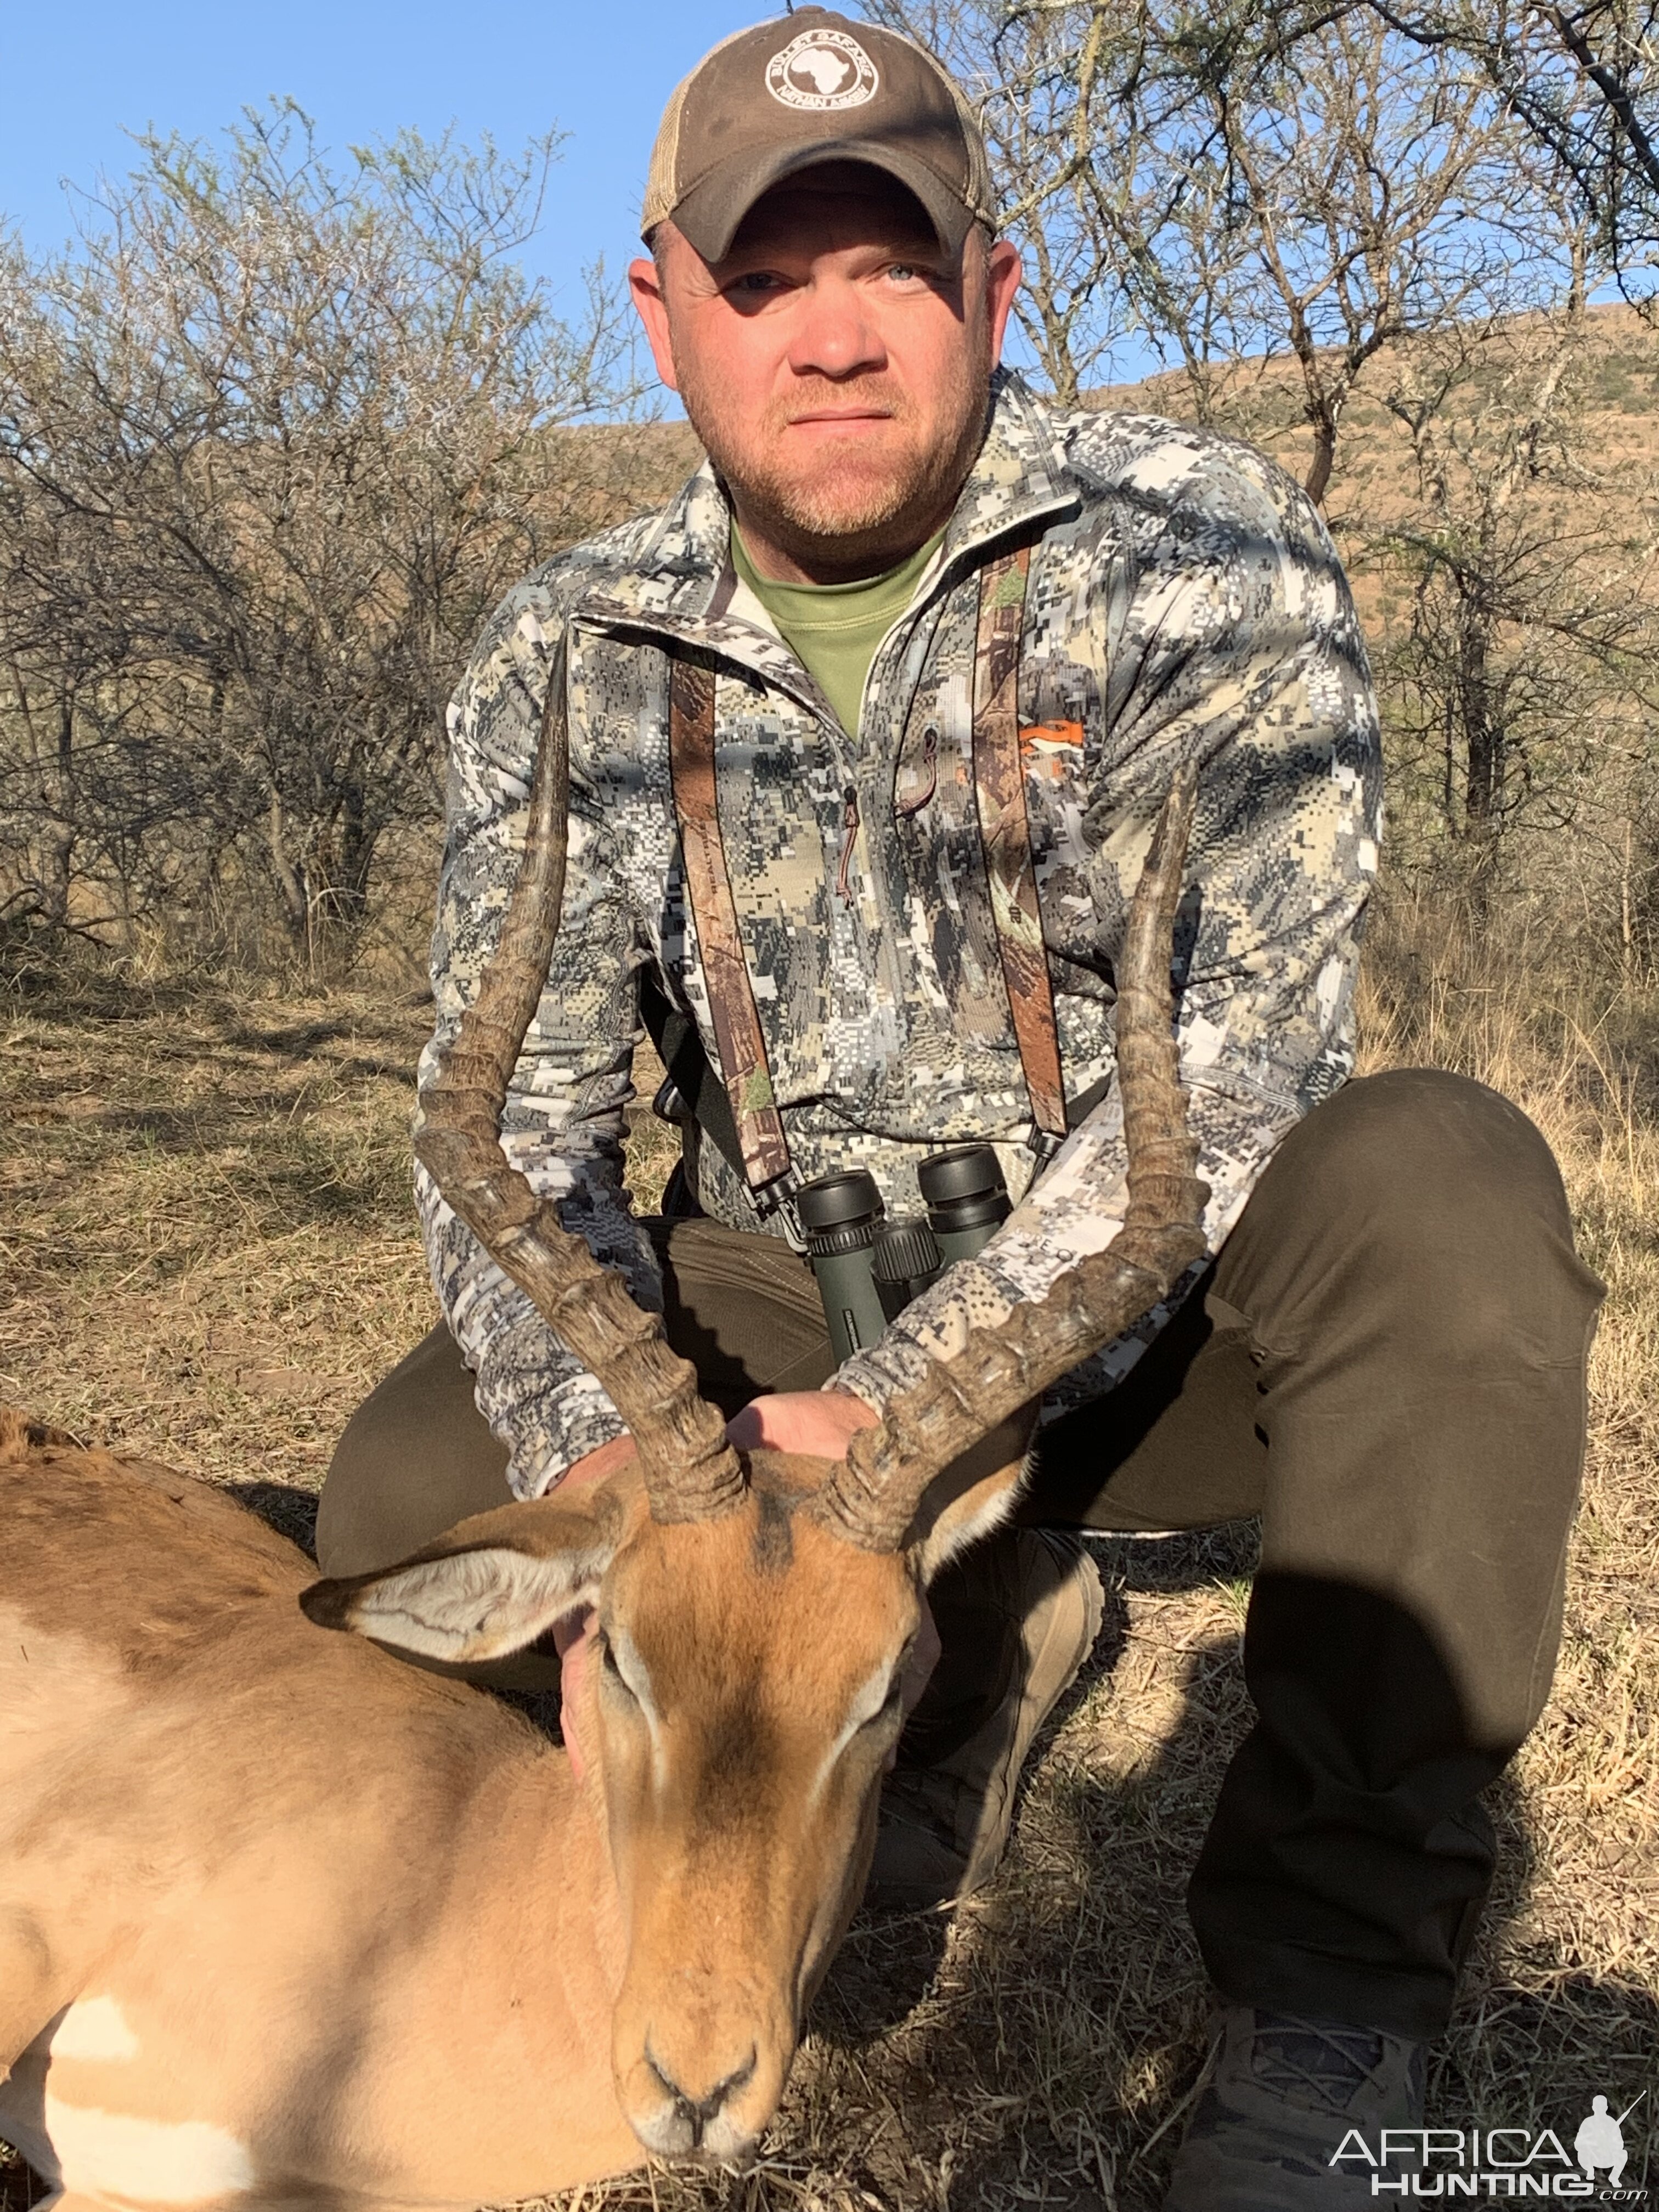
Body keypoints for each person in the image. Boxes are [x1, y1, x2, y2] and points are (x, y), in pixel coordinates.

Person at [315, 13, 1602, 2204]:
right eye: (764, 275)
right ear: (663, 316)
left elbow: (1229, 1074)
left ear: (993, 289)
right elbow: (509, 1136)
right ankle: (905, 1681)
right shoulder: (564, 654)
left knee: (1448, 1188)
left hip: (1139, 1309)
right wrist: (609, 1460)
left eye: (889, 267)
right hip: (763, 1288)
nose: (830, 338)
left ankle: (1334, 2000)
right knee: (401, 1498)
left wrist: (897, 1440)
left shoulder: (1211, 555)